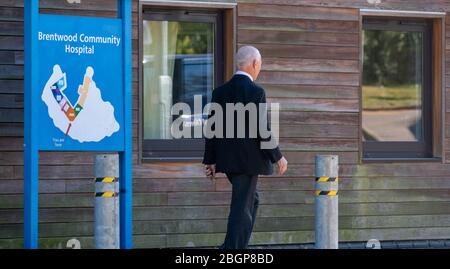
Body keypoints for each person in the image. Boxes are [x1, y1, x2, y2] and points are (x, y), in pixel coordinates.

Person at [202, 45, 288, 249]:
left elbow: (211, 128)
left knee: (251, 200)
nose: (259, 69)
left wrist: (210, 160)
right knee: (242, 206)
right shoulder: (256, 92)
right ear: (254, 64)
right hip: (248, 162)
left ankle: (238, 245)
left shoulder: (219, 92)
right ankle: (232, 250)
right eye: (260, 65)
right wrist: (278, 156)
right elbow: (261, 128)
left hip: (228, 161)